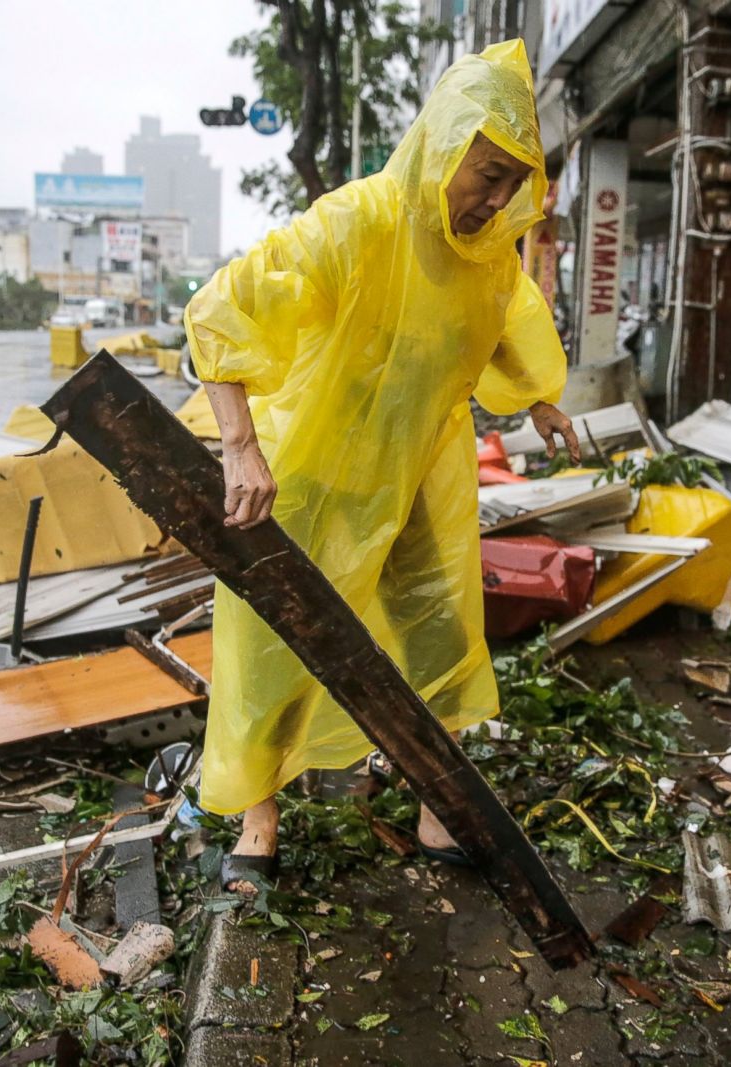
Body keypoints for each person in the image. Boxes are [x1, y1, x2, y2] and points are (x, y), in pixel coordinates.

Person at [184, 39, 580, 893]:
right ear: (443, 148)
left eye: (515, 181)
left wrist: (541, 399)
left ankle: (438, 806)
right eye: (486, 174)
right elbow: (222, 314)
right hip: (317, 466)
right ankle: (259, 820)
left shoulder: (490, 258)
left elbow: (512, 322)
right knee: (277, 641)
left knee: (441, 633)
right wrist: (241, 447)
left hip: (423, 468)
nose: (498, 197)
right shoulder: (356, 221)